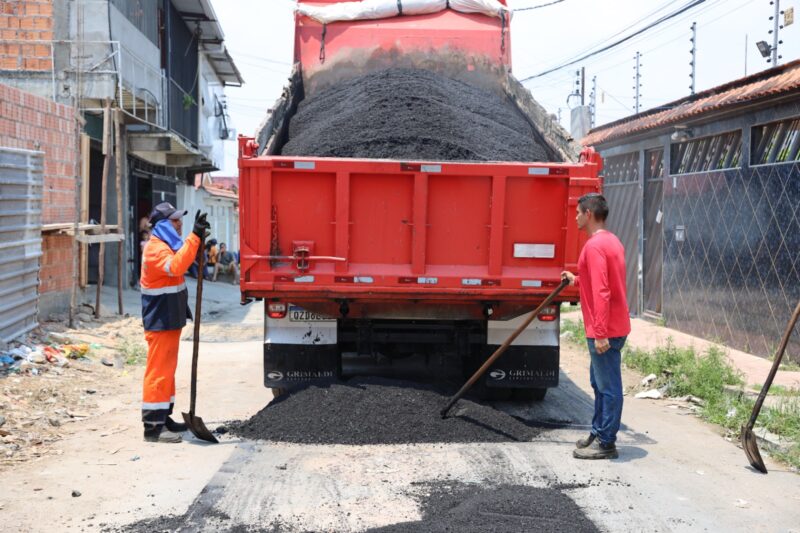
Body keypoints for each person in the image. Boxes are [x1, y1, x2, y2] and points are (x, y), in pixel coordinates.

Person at [561, 193, 631, 460]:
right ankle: (598, 431)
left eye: (578, 212)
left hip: (606, 329)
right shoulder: (611, 241)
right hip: (614, 325)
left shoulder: (594, 246)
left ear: (589, 213)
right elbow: (599, 280)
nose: (576, 217)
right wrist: (575, 279)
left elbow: (602, 290)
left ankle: (606, 443)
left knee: (608, 386)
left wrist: (600, 333)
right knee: (599, 383)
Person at [140, 202, 210, 443]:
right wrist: (193, 238)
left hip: (169, 317)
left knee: (167, 372)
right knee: (159, 372)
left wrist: (198, 241)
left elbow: (186, 262)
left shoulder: (167, 245)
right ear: (162, 225)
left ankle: (163, 417)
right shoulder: (155, 249)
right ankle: (153, 428)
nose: (179, 224)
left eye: (180, 219)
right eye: (175, 220)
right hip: (160, 320)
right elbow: (178, 265)